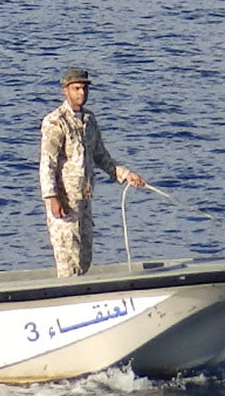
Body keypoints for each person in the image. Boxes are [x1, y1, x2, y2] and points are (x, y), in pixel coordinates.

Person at [39, 67, 145, 278]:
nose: (82, 93)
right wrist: (51, 197)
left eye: (85, 88)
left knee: (84, 260)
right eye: (76, 88)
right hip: (64, 201)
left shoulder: (89, 120)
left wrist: (125, 175)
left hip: (84, 200)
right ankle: (65, 303)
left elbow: (101, 157)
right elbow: (47, 163)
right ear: (65, 90)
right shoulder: (55, 121)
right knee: (68, 263)